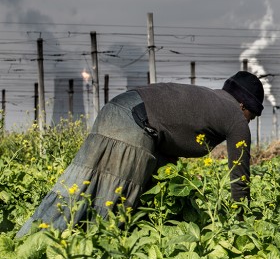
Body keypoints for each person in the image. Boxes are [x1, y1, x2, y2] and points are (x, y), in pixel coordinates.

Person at [16, 71, 264, 237]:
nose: (250, 122)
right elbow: (239, 179)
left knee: (78, 184)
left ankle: (32, 237)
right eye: (252, 115)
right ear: (244, 105)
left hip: (117, 108)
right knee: (110, 202)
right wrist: (241, 226)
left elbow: (167, 142)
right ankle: (81, 253)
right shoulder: (235, 118)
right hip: (134, 124)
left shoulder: (207, 99)